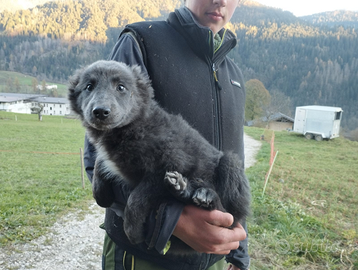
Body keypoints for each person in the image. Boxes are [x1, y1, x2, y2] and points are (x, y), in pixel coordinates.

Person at [84, 0, 250, 269]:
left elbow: (235, 170)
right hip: (145, 255)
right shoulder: (142, 41)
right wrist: (171, 220)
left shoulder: (235, 75)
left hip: (215, 260)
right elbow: (99, 152)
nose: (220, 1)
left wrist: (238, 252)